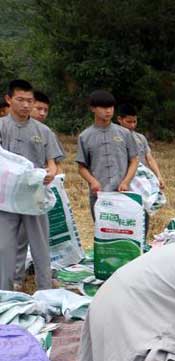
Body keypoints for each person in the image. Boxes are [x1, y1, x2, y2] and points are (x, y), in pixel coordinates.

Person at [0, 79, 64, 291]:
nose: (26, 105)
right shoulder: (1, 127)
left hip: (35, 196)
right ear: (8, 99)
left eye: (29, 101)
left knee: (40, 246)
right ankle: (5, 294)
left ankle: (45, 290)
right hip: (6, 199)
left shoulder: (43, 131)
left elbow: (52, 163)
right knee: (4, 248)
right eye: (20, 100)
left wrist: (50, 174)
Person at [75, 90, 139, 219]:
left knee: (124, 232)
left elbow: (134, 160)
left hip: (123, 193)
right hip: (99, 195)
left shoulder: (124, 134)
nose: (108, 111)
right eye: (104, 107)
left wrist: (126, 182)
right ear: (93, 108)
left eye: (111, 107)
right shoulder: (85, 137)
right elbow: (82, 167)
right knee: (103, 233)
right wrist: (92, 181)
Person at [116, 103, 166, 189]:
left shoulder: (140, 138)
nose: (132, 125)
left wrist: (159, 176)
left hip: (141, 180)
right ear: (119, 119)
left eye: (134, 121)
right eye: (129, 122)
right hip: (122, 181)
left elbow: (149, 159)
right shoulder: (114, 138)